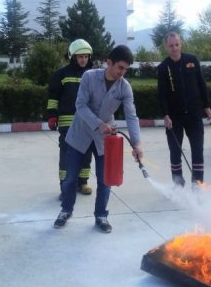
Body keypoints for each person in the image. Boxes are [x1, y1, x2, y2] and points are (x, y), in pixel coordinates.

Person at [54, 45, 144, 233]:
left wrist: (137, 143)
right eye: (120, 67)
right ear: (108, 63)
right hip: (80, 132)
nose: (122, 72)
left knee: (105, 179)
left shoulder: (124, 87)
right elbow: (80, 105)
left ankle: (101, 215)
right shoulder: (89, 77)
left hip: (105, 139)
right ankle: (65, 210)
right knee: (70, 177)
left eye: (126, 69)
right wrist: (99, 124)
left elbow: (131, 116)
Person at [157, 32, 211, 187]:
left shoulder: (192, 61)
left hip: (194, 115)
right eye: (171, 45)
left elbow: (201, 84)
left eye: (177, 44)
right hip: (174, 117)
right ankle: (178, 183)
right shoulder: (163, 67)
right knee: (175, 151)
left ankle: (198, 183)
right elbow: (161, 94)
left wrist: (206, 105)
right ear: (166, 47)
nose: (174, 48)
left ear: (181, 43)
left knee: (197, 150)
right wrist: (165, 115)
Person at [47, 39, 94, 198]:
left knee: (86, 153)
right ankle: (66, 186)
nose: (83, 60)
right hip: (68, 123)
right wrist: (52, 116)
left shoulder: (92, 75)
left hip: (87, 123)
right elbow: (53, 97)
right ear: (73, 57)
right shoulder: (61, 74)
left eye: (86, 56)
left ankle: (82, 183)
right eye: (80, 56)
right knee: (67, 155)